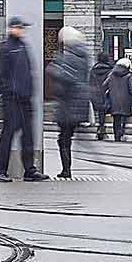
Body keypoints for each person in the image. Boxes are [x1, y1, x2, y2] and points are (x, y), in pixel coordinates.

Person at [0, 17, 45, 184]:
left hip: (25, 98)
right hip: (11, 99)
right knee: (8, 135)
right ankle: (0, 171)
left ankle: (29, 170)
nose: (21, 30)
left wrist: (30, 91)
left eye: (22, 28)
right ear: (12, 28)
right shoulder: (6, 48)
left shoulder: (22, 46)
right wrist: (9, 90)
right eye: (19, 27)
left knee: (28, 136)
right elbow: (0, 74)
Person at [47, 25, 94, 180]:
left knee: (64, 139)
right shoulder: (84, 55)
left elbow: (67, 78)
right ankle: (67, 168)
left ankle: (66, 170)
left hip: (69, 104)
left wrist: (53, 69)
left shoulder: (69, 57)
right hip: (80, 103)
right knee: (68, 136)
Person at [98, 52, 132, 141]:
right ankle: (122, 132)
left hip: (114, 100)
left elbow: (104, 85)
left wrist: (110, 91)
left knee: (116, 119)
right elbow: (131, 89)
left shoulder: (112, 74)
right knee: (124, 118)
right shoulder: (128, 75)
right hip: (125, 101)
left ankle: (117, 136)